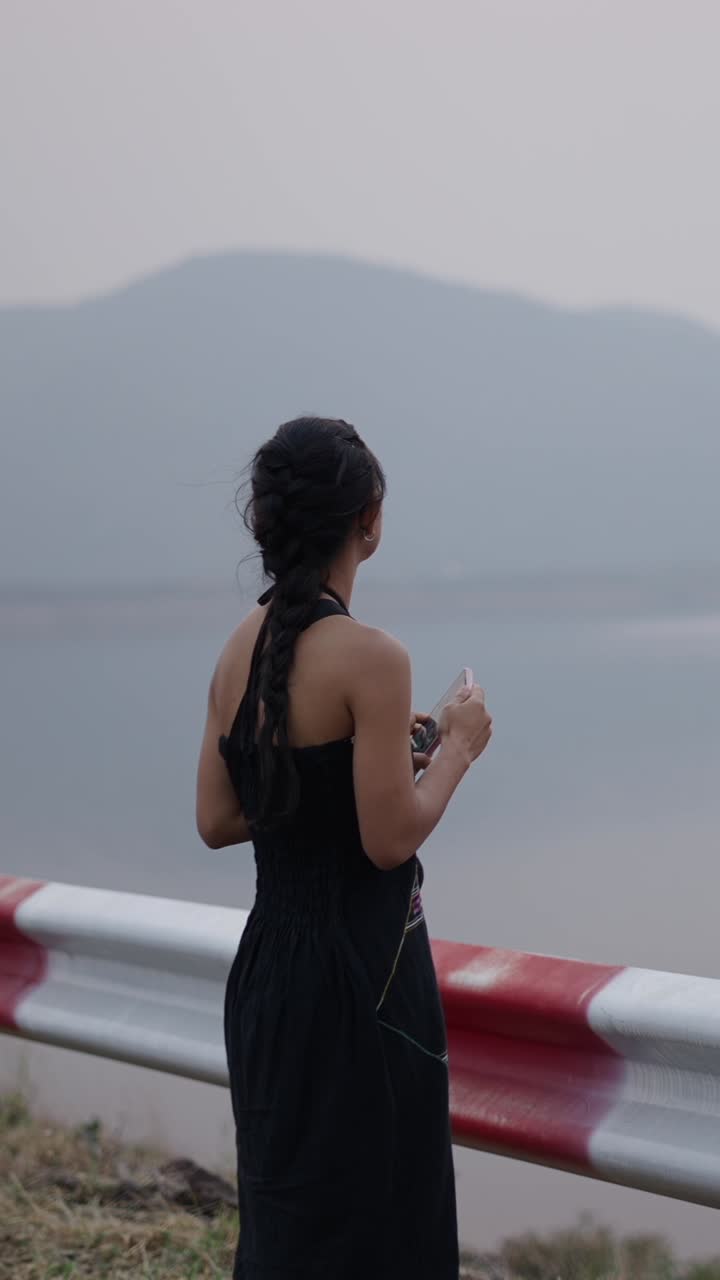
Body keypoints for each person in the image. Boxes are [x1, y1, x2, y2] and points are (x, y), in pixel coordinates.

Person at [196, 417, 493, 1279]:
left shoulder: (233, 652)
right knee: (384, 1222)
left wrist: (369, 768)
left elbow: (218, 819)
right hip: (366, 980)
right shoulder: (373, 656)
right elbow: (388, 838)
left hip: (268, 978)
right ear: (371, 517)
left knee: (290, 1218)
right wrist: (459, 749)